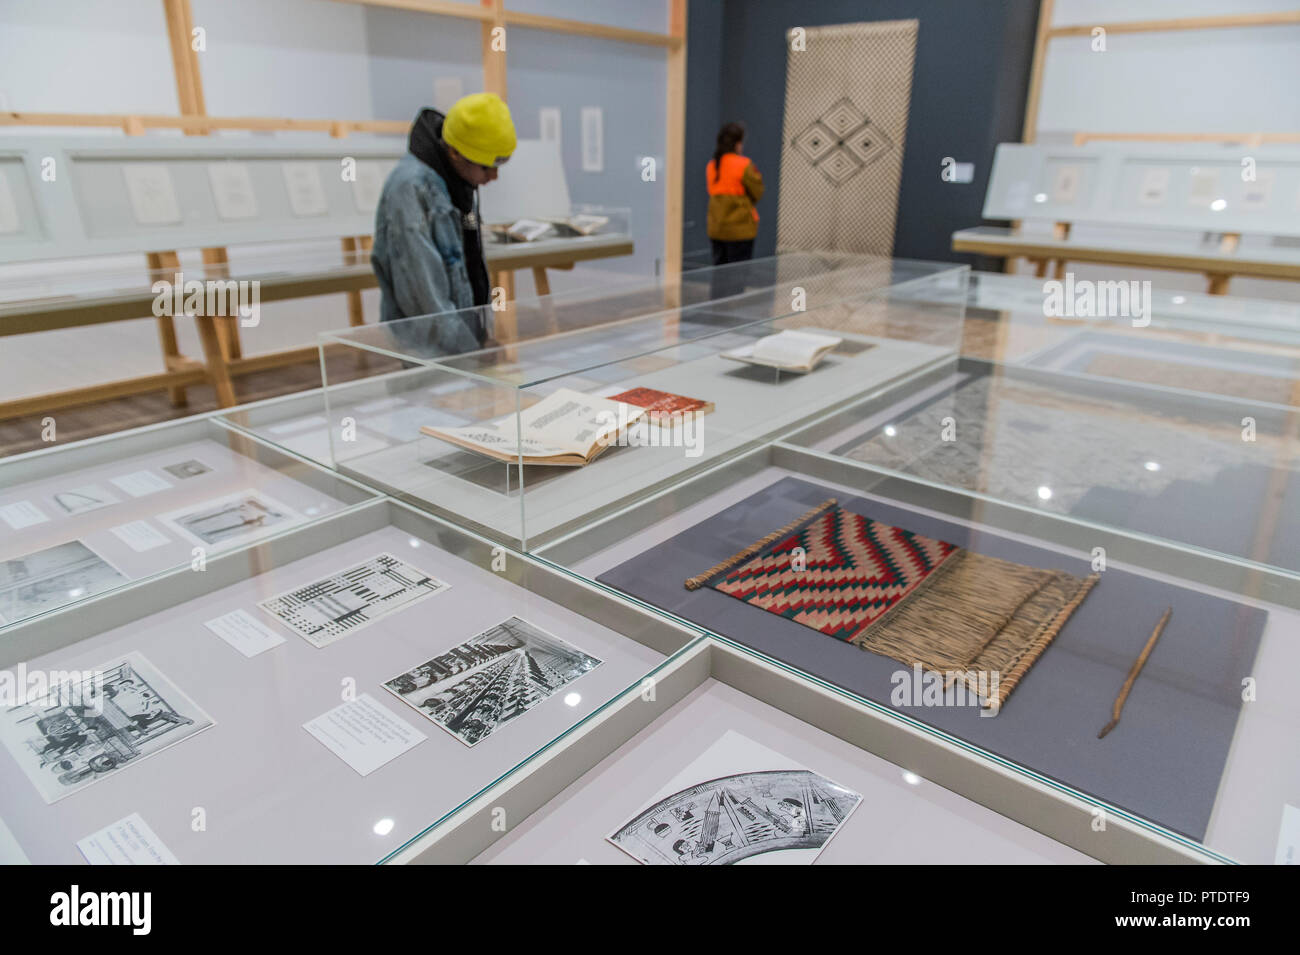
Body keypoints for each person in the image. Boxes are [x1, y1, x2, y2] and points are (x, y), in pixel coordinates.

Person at [371, 93, 517, 355]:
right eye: (486, 167)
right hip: (433, 352)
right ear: (455, 153)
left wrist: (480, 338)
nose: (494, 177)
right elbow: (425, 296)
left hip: (464, 346)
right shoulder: (410, 188)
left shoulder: (459, 182)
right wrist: (471, 351)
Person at [706, 121, 764, 267]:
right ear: (738, 144)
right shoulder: (744, 165)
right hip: (741, 231)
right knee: (737, 277)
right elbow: (758, 191)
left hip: (717, 230)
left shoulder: (712, 165)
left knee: (719, 275)